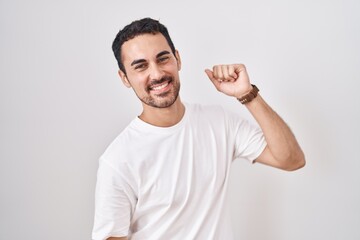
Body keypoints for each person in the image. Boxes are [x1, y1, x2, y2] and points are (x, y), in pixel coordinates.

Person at [92, 17, 305, 240]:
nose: (156, 74)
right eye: (141, 66)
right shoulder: (118, 159)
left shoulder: (219, 122)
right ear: (124, 78)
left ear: (178, 59)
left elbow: (291, 159)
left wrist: (247, 95)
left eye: (163, 59)